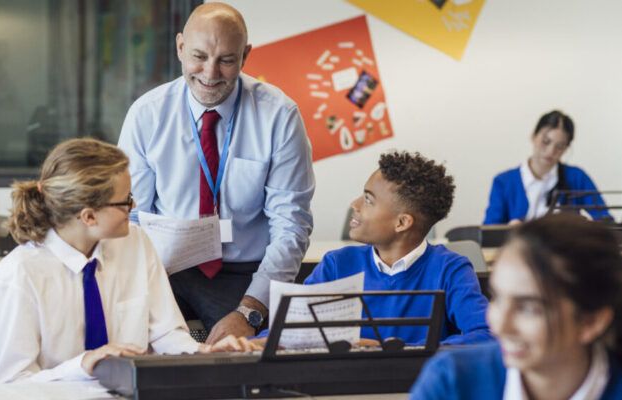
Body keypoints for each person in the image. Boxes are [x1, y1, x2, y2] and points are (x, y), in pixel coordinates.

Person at [118, 2, 315, 344]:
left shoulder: (278, 116)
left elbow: (291, 225)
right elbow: (131, 216)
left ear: (246, 56)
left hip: (243, 272)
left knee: (243, 361)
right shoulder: (147, 114)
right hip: (165, 268)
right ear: (180, 47)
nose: (210, 74)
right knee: (140, 352)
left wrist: (250, 311)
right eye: (199, 56)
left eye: (226, 60)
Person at [0, 138, 257, 384]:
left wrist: (204, 353)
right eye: (125, 201)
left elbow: (165, 334)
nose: (135, 205)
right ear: (89, 217)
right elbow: (11, 384)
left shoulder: (136, 243)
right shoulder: (18, 274)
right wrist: (82, 366)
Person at [261, 151, 492, 345]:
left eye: (369, 200)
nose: (355, 204)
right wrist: (249, 344)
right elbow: (288, 330)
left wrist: (395, 353)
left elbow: (487, 334)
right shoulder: (337, 264)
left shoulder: (450, 269)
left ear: (402, 222)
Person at [411, 213, 622, 399]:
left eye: (528, 308)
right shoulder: (451, 381)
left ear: (591, 321)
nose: (500, 326)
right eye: (498, 298)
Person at [483, 110, 611, 225]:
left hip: (565, 250)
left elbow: (605, 219)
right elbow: (489, 232)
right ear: (533, 136)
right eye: (546, 142)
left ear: (566, 148)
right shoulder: (503, 182)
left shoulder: (577, 177)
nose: (551, 151)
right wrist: (508, 230)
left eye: (559, 146)